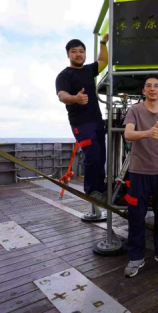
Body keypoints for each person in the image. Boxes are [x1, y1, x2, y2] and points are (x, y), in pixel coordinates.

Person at [123, 75, 158, 277]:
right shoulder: (135, 110)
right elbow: (128, 134)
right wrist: (146, 133)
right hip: (139, 172)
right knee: (136, 216)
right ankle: (136, 256)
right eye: (148, 86)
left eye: (156, 86)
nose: (152, 89)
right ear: (143, 91)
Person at [55, 34, 109, 203]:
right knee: (91, 156)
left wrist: (103, 43)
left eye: (81, 51)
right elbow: (62, 96)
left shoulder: (88, 70)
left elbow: (103, 61)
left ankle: (100, 188)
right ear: (68, 55)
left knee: (101, 156)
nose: (78, 54)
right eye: (74, 51)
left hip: (96, 120)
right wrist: (76, 98)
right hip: (81, 124)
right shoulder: (64, 75)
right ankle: (91, 191)